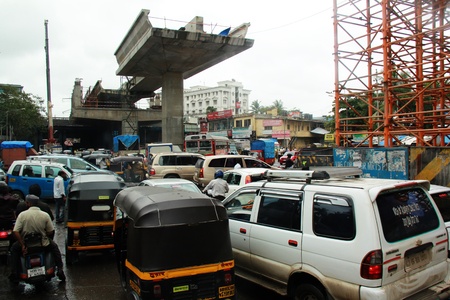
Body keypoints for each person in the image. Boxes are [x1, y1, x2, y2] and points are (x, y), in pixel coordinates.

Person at [10, 194, 65, 283]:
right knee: (54, 247)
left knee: (13, 250)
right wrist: (46, 237)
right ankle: (60, 269)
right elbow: (51, 231)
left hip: (27, 246)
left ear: (28, 203)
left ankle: (14, 274)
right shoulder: (45, 215)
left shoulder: (22, 215)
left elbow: (15, 231)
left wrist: (22, 244)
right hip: (42, 245)